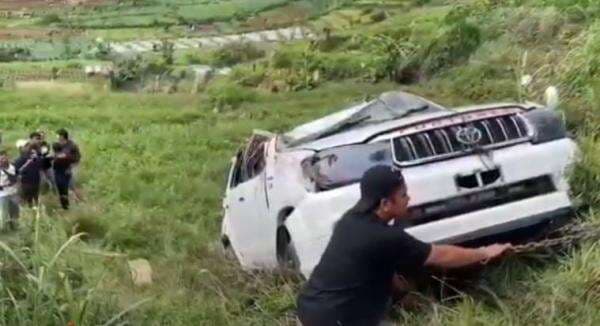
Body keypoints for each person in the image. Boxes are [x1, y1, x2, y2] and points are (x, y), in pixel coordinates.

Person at [296, 165, 512, 326]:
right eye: (403, 195)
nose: (408, 199)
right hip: (338, 319)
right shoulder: (385, 236)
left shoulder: (349, 221)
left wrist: (405, 294)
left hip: (310, 308)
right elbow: (441, 255)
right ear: (385, 204)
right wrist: (485, 252)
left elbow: (372, 267)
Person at [56, 128, 83, 202]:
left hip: (72, 165)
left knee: (71, 184)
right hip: (64, 167)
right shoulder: (60, 145)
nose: (57, 139)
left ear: (62, 137)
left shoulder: (71, 146)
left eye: (58, 137)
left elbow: (76, 157)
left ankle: (78, 199)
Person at [0, 150, 19, 229]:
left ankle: (14, 226)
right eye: (2, 159)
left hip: (13, 192)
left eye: (5, 158)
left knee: (15, 211)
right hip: (3, 194)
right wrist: (4, 185)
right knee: (4, 212)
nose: (4, 160)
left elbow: (17, 178)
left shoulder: (12, 167)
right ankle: (3, 228)